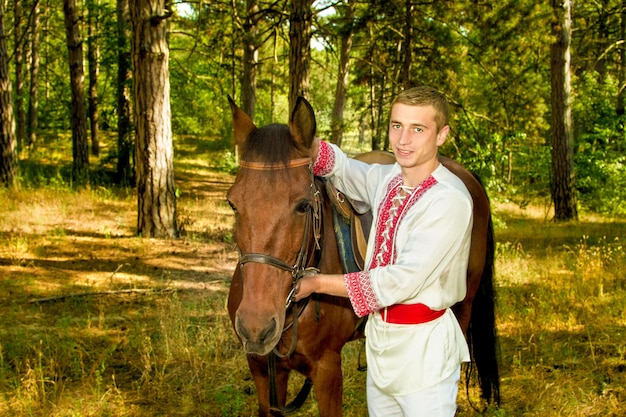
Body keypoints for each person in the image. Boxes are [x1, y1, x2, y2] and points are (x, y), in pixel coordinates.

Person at [295, 86, 472, 416]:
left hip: (424, 352)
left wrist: (317, 283)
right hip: (381, 345)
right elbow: (348, 171)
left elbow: (398, 281)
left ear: (442, 135)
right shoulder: (391, 179)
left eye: (418, 129)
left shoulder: (448, 199)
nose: (403, 140)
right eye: (396, 126)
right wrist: (307, 144)